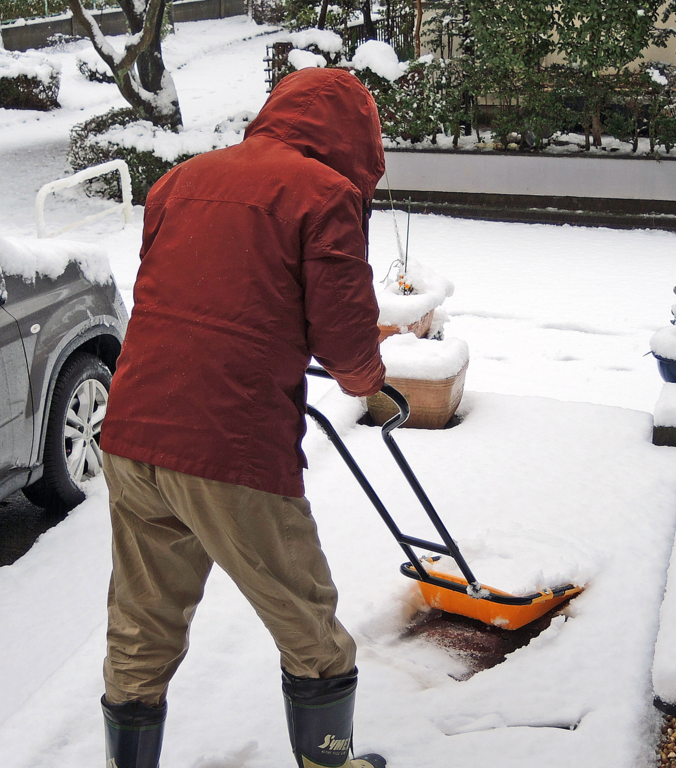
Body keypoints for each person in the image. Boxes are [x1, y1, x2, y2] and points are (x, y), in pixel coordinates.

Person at [96, 66, 388, 768]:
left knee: (143, 617)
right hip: (229, 444)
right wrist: (370, 386)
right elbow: (346, 337)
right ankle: (328, 761)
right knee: (305, 613)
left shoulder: (180, 180)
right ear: (355, 137)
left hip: (134, 430)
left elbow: (183, 288)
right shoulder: (325, 194)